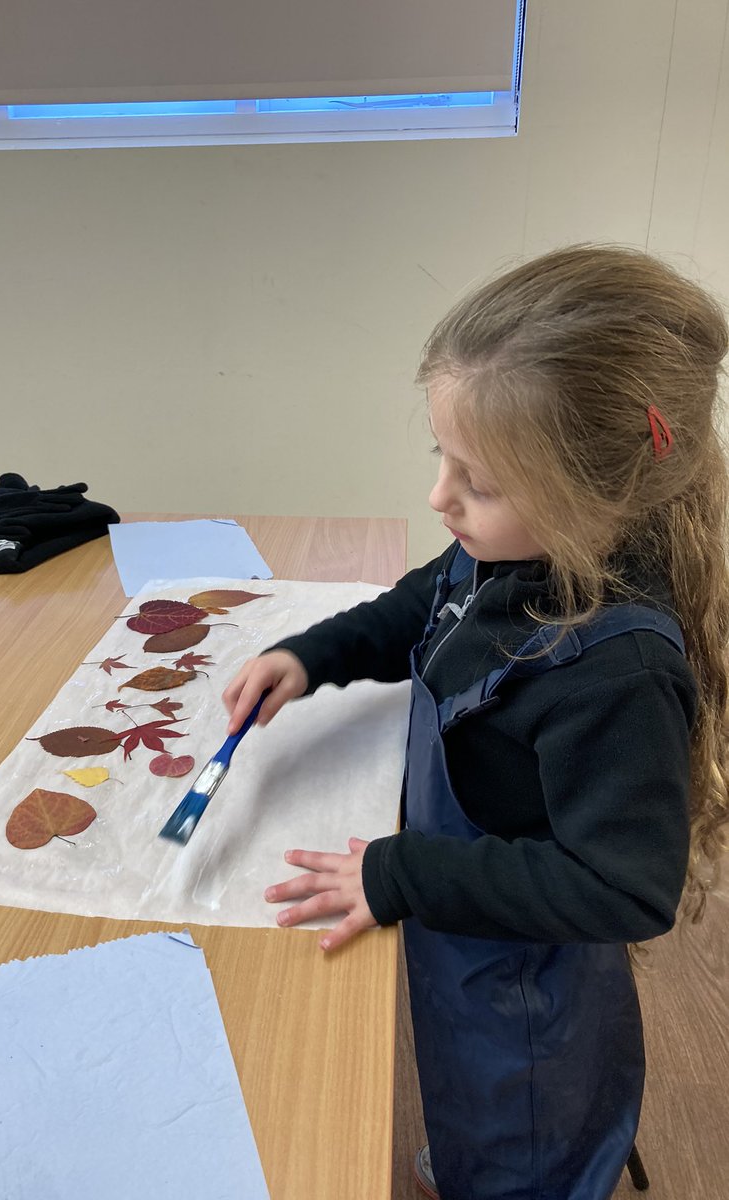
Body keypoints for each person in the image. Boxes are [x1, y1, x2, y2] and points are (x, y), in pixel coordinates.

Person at [222, 245, 729, 1200]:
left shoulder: (617, 674)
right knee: (463, 1091)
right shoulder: (513, 552)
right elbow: (427, 602)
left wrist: (402, 870)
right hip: (468, 935)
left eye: (478, 482)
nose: (438, 497)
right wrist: (310, 657)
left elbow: (622, 887)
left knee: (518, 1127)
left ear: (597, 499)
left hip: (525, 978)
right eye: (440, 458)